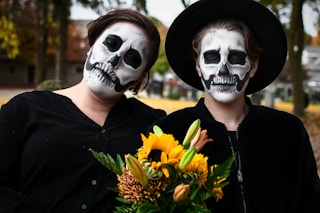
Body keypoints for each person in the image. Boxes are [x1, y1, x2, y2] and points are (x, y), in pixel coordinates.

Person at [151, 0, 320, 212]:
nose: (223, 70)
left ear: (253, 65)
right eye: (212, 57)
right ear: (198, 66)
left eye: (236, 57)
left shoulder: (289, 132)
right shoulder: (166, 136)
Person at [0, 9, 166, 212]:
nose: (113, 61)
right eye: (111, 44)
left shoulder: (155, 127)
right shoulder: (25, 109)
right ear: (91, 46)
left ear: (140, 78)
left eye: (132, 58)